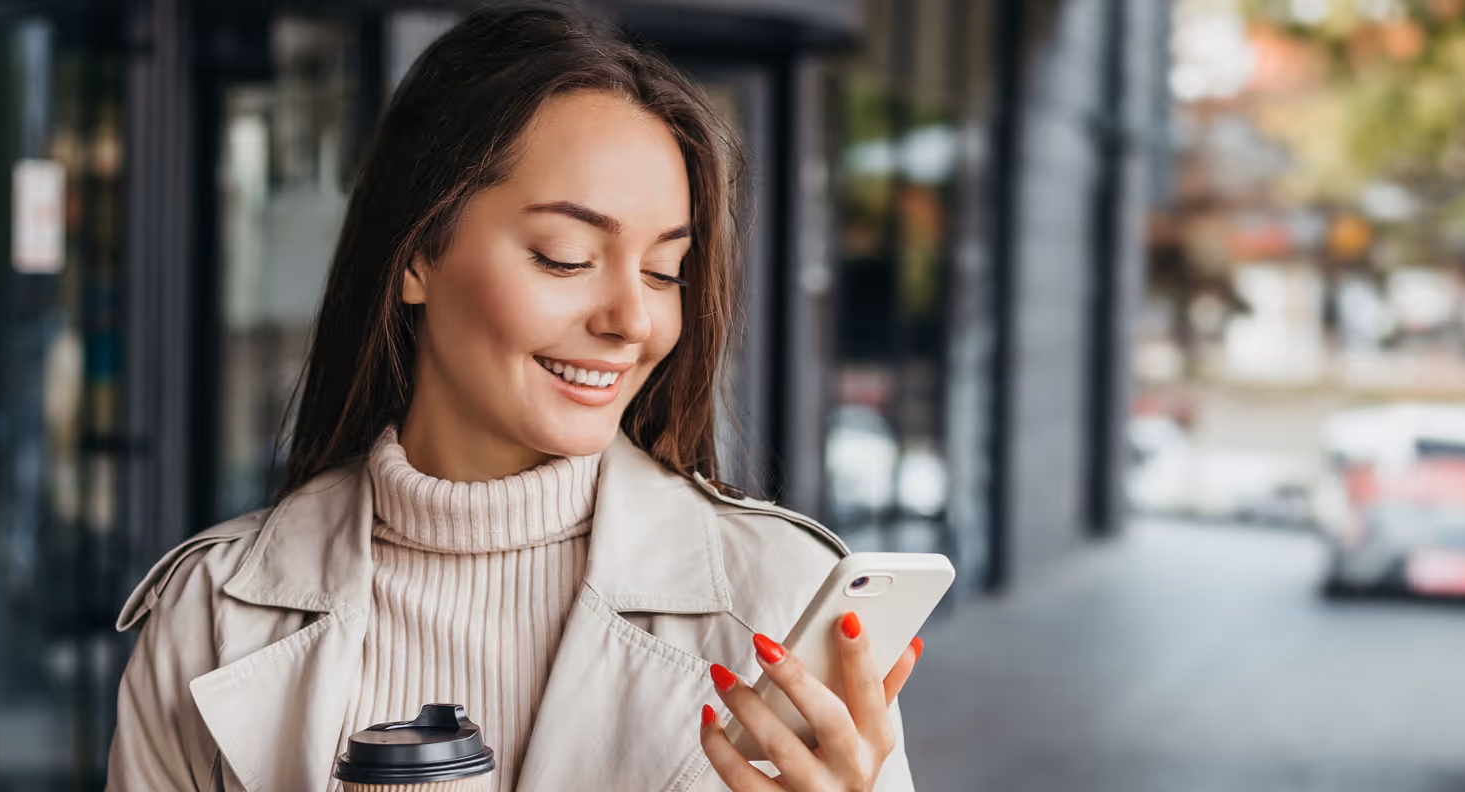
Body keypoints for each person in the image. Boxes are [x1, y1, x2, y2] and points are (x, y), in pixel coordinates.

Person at [106, 4, 921, 790]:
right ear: (417, 255)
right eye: (566, 257)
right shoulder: (211, 617)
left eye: (664, 271)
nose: (633, 320)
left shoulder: (784, 598)